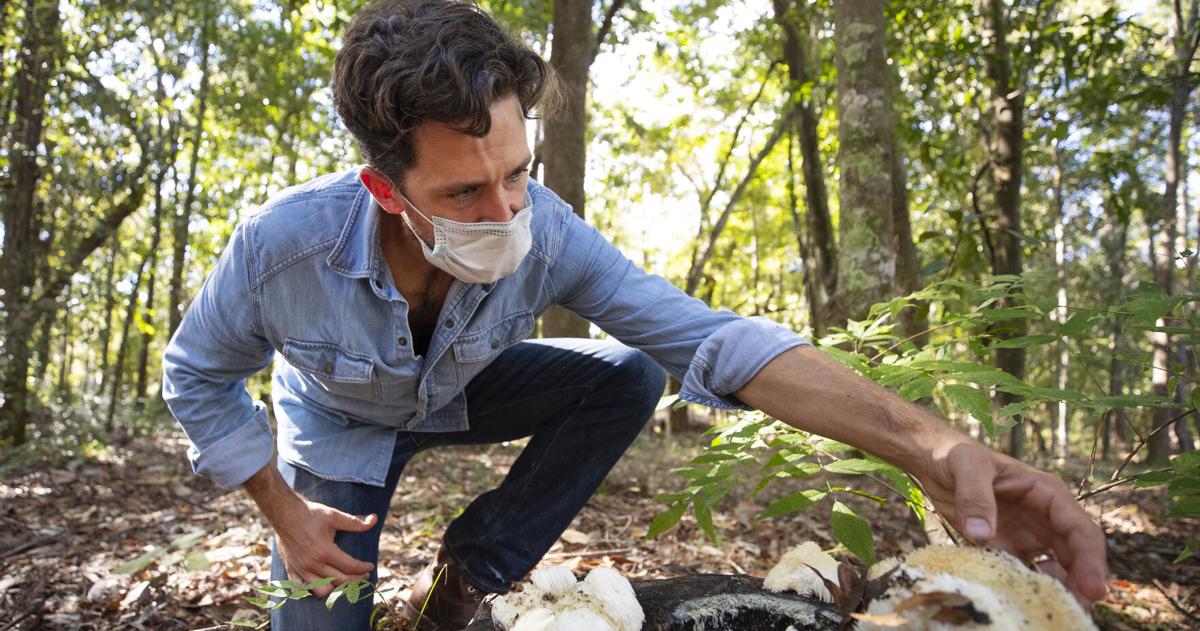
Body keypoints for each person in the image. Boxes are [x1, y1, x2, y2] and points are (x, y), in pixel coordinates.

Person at [161, 0, 1108, 629]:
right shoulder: (283, 248)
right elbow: (194, 372)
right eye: (462, 193)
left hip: (462, 394)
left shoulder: (550, 231)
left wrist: (931, 447)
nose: (504, 215)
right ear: (384, 186)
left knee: (625, 372)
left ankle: (473, 570)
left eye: (517, 174)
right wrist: (283, 512)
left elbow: (713, 340)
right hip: (336, 436)